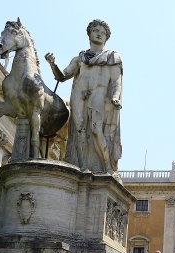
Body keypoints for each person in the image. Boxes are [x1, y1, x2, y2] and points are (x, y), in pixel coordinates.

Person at [45, 19, 123, 172]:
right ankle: (82, 167)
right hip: (79, 95)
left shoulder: (112, 57)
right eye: (96, 30)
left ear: (107, 37)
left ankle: (108, 167)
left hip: (98, 95)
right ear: (89, 34)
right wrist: (53, 64)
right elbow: (62, 77)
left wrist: (115, 96)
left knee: (96, 130)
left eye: (103, 32)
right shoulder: (80, 58)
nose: (99, 33)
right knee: (79, 130)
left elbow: (116, 82)